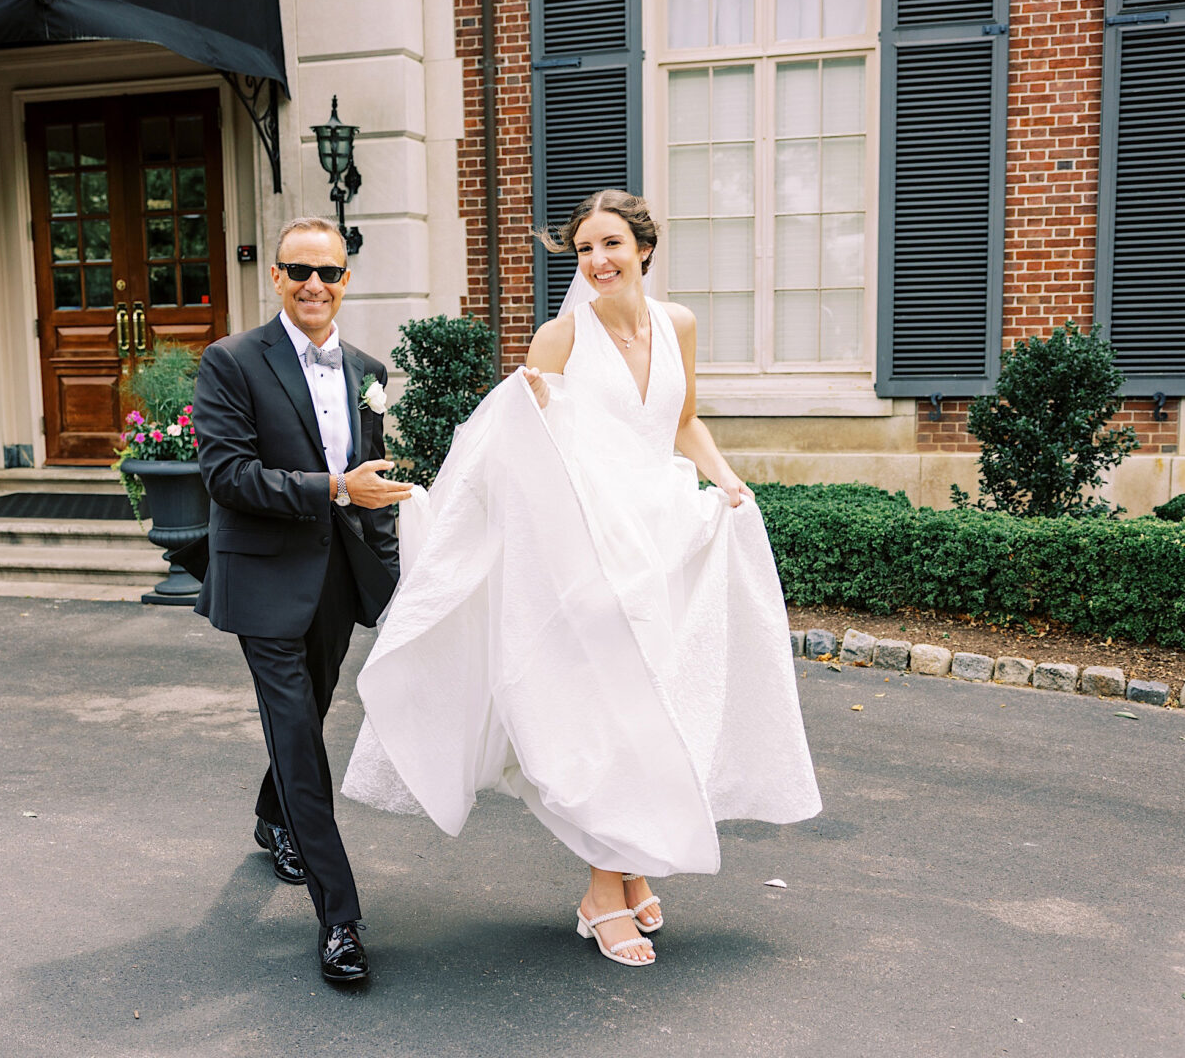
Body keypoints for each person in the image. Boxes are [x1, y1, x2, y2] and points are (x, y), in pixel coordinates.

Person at [342, 190, 821, 967]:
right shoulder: (561, 336)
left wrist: (728, 481)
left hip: (662, 530)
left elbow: (683, 419)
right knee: (615, 707)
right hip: (591, 546)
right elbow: (528, 444)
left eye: (612, 245)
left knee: (658, 698)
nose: (598, 261)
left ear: (644, 250)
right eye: (585, 249)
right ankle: (604, 889)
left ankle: (626, 872)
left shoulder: (680, 326)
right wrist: (518, 403)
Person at [190, 215, 412, 984]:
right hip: (261, 579)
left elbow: (373, 486)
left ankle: (270, 816)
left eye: (330, 272)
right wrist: (330, 488)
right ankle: (340, 919)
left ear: (346, 280)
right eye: (299, 270)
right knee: (301, 740)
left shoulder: (366, 368)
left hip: (334, 581)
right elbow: (226, 475)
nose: (314, 284)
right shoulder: (230, 361)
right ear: (277, 277)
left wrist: (390, 584)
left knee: (305, 718)